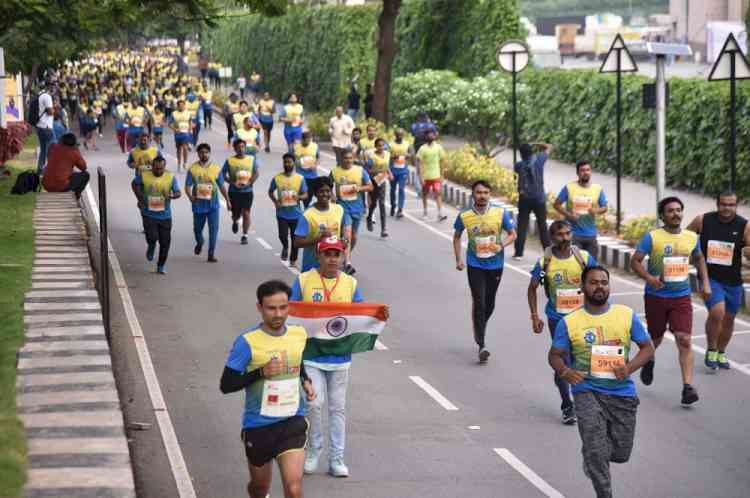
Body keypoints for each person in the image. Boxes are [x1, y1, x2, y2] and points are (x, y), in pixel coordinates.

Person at [549, 266, 655, 498]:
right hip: (587, 391)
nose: (599, 287)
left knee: (621, 453)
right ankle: (603, 489)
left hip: (621, 394)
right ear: (583, 287)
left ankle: (591, 453)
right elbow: (554, 355)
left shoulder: (626, 315)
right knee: (597, 452)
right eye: (594, 282)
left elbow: (648, 348)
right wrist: (565, 372)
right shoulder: (569, 322)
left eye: (604, 282)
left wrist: (629, 367)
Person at [220, 279, 316, 498]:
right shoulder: (247, 342)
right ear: (259, 308)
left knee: (293, 489)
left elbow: (297, 361)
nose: (278, 314)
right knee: (260, 487)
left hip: (292, 420)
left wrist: (306, 380)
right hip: (259, 425)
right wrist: (261, 372)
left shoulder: (298, 334)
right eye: (271, 308)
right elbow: (226, 385)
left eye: (283, 307)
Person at [291, 237, 363, 478]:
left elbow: (361, 314)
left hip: (340, 356)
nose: (332, 258)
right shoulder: (303, 280)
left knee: (337, 408)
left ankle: (336, 458)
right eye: (328, 254)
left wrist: (378, 314)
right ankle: (313, 451)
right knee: (313, 403)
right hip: (311, 354)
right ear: (318, 256)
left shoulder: (351, 284)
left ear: (342, 256)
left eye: (337, 254)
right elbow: (291, 312)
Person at [630, 196, 711, 406]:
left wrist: (706, 283)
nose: (675, 214)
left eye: (678, 210)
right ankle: (649, 359)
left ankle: (687, 387)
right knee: (655, 338)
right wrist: (649, 278)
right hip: (656, 297)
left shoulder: (691, 237)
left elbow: (699, 258)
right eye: (670, 210)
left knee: (684, 339)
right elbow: (635, 261)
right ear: (662, 215)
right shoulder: (652, 237)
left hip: (681, 296)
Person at [528, 220, 597, 424]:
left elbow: (599, 282)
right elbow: (533, 288)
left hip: (584, 318)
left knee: (585, 360)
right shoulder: (545, 263)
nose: (565, 238)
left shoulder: (583, 258)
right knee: (562, 361)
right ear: (552, 237)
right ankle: (567, 404)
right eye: (560, 234)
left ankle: (587, 400)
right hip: (558, 320)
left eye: (568, 233)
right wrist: (534, 315)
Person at [453, 180, 517, 363]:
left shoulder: (499, 212)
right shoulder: (465, 215)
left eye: (486, 192)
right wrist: (458, 259)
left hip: (496, 264)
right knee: (479, 302)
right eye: (479, 192)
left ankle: (479, 323)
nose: (482, 195)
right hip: (475, 264)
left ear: (490, 194)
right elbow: (457, 236)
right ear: (473, 194)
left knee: (490, 304)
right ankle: (482, 344)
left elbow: (512, 234)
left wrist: (501, 245)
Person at [687, 191, 750, 370]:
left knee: (729, 319)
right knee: (717, 312)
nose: (727, 208)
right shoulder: (703, 220)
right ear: (717, 204)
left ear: (736, 206)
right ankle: (712, 348)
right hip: (710, 277)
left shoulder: (744, 225)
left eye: (731, 205)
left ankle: (721, 352)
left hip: (733, 281)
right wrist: (691, 255)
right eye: (723, 204)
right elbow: (684, 237)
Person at [132, 156, 181, 274]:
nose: (159, 171)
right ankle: (151, 246)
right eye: (156, 168)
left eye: (161, 169)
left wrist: (172, 196)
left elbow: (178, 192)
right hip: (148, 214)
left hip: (165, 215)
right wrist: (140, 197)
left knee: (165, 242)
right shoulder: (144, 175)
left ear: (165, 167)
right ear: (152, 167)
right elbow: (134, 184)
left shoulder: (170, 177)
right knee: (152, 237)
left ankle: (161, 266)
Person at [294, 177, 353, 273]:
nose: (325, 194)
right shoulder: (307, 215)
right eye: (321, 191)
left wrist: (344, 241)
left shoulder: (339, 209)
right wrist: (318, 239)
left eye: (328, 191)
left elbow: (344, 233)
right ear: (315, 194)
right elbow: (297, 243)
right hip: (312, 267)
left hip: (333, 266)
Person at [185, 143, 231, 263]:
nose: (204, 154)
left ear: (209, 153)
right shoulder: (193, 169)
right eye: (201, 152)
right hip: (198, 205)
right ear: (198, 154)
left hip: (213, 205)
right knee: (197, 230)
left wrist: (227, 200)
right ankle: (200, 242)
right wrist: (190, 197)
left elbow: (221, 186)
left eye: (206, 152)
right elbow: (187, 186)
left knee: (213, 230)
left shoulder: (216, 168)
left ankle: (211, 254)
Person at [330, 149, 373, 274]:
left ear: (353, 158)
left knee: (353, 236)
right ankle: (348, 263)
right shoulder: (335, 172)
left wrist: (359, 188)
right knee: (347, 234)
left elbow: (370, 186)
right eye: (345, 158)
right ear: (341, 159)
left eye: (350, 158)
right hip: (342, 208)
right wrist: (333, 197)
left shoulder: (360, 171)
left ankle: (345, 255)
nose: (348, 160)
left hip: (357, 208)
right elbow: (328, 185)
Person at [554, 160, 608, 257]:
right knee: (575, 265)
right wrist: (569, 216)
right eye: (582, 170)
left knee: (592, 267)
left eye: (588, 170)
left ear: (591, 172)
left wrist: (596, 211)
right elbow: (556, 204)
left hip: (591, 234)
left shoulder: (597, 188)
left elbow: (604, 207)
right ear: (577, 173)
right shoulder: (569, 187)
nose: (585, 172)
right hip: (573, 234)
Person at [513, 142, 554, 260]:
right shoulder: (539, 160)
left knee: (522, 225)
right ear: (532, 151)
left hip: (524, 198)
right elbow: (549, 146)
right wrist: (536, 143)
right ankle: (548, 254)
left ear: (521, 154)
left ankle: (519, 253)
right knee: (542, 226)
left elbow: (517, 171)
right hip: (539, 199)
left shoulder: (519, 165)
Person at [268, 153, 308, 267]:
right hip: (282, 214)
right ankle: (285, 246)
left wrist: (299, 197)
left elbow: (305, 194)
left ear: (294, 163)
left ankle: (293, 260)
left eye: (289, 162)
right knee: (282, 235)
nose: (287, 164)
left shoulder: (300, 178)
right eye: (285, 162)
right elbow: (270, 191)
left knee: (295, 239)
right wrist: (276, 202)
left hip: (296, 214)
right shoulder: (277, 178)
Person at [222, 138, 260, 245]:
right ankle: (235, 220)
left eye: (243, 146)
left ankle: (244, 235)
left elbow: (256, 173)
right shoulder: (230, 160)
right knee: (236, 214)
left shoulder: (251, 159)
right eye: (238, 147)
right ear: (234, 148)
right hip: (234, 192)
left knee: (246, 213)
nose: (241, 149)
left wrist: (250, 182)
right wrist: (231, 182)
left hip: (247, 191)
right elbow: (222, 175)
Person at [41, 133, 89, 199]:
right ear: (74, 143)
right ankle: (76, 196)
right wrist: (77, 150)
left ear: (61, 140)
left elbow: (54, 161)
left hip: (46, 184)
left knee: (68, 174)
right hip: (60, 186)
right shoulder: (73, 152)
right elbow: (84, 167)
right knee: (86, 175)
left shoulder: (52, 147)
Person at [415, 129, 447, 222]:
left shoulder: (439, 148)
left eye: (432, 134)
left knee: (438, 193)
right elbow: (419, 163)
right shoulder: (422, 149)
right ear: (425, 137)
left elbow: (442, 162)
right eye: (428, 135)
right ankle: (425, 212)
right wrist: (420, 176)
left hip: (436, 176)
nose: (430, 136)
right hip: (426, 176)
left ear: (435, 136)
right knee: (425, 194)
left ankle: (440, 213)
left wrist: (442, 175)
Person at [366, 138, 393, 237]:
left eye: (383, 145)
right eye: (379, 145)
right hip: (374, 181)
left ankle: (383, 229)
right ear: (375, 146)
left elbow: (386, 166)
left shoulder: (387, 154)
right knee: (374, 203)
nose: (381, 147)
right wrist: (376, 174)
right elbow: (367, 170)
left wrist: (390, 173)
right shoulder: (372, 157)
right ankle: (369, 217)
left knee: (382, 203)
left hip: (382, 181)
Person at [388, 128, 413, 219]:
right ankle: (393, 205)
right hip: (393, 170)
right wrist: (393, 156)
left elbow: (411, 153)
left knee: (401, 189)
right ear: (395, 134)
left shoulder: (407, 144)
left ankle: (400, 209)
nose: (399, 136)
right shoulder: (390, 144)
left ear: (403, 135)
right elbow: (386, 154)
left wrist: (407, 155)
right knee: (392, 189)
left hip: (403, 171)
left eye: (401, 135)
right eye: (397, 135)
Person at [294, 131, 320, 208]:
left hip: (312, 176)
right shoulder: (296, 147)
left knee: (309, 196)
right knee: (300, 195)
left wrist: (315, 165)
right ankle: (300, 211)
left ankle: (305, 208)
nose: (306, 141)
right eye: (305, 140)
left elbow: (318, 157)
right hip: (300, 176)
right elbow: (292, 159)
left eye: (308, 139)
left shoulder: (315, 146)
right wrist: (299, 163)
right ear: (302, 139)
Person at [35, 81, 56, 174]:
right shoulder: (47, 96)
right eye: (53, 86)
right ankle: (50, 170)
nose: (54, 88)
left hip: (39, 126)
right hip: (46, 127)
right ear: (50, 87)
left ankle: (40, 170)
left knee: (43, 150)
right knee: (51, 149)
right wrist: (55, 109)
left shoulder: (40, 94)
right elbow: (50, 112)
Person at [169, 99, 193, 171]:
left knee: (185, 148)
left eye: (183, 105)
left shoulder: (188, 113)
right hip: (177, 134)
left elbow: (190, 122)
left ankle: (185, 163)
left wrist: (190, 129)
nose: (181, 107)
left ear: (184, 106)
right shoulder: (174, 114)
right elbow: (169, 124)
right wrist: (174, 129)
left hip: (186, 133)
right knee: (179, 149)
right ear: (177, 106)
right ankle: (179, 163)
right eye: (180, 106)